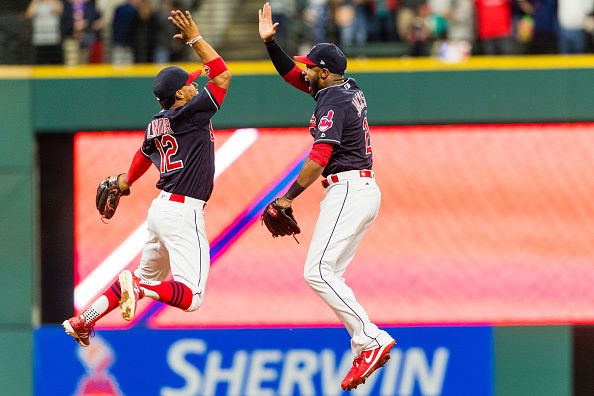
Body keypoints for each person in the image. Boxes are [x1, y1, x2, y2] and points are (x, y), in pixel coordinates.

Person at [62, 9, 231, 347]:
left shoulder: (158, 120)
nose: (196, 84)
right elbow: (223, 76)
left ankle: (84, 319)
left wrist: (125, 183)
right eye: (190, 83)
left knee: (142, 279)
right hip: (183, 212)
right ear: (180, 95)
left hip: (160, 211)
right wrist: (196, 39)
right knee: (191, 296)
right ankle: (138, 288)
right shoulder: (192, 113)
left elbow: (142, 156)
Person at [258, 2, 395, 391]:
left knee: (316, 272)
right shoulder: (345, 88)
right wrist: (272, 45)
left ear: (323, 71)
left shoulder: (332, 100)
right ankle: (365, 340)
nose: (303, 71)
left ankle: (370, 339)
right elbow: (293, 77)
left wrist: (287, 198)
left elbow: (319, 158)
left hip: (348, 189)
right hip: (362, 188)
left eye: (309, 67)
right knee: (328, 273)